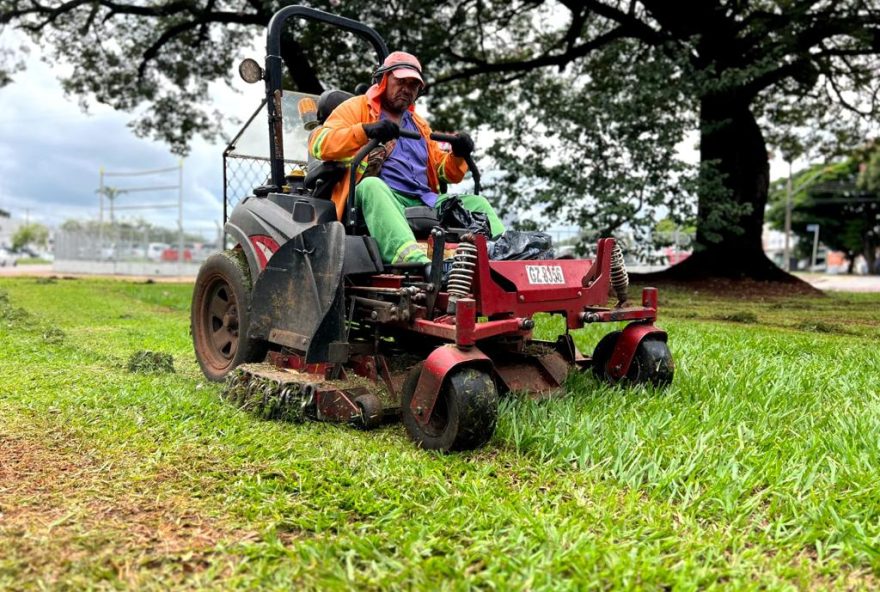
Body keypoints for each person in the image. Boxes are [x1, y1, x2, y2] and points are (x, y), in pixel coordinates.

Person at [308, 51, 505, 265]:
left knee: (477, 203)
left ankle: (508, 255)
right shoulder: (356, 108)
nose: (406, 89)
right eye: (401, 81)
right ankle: (414, 262)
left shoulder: (419, 125)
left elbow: (446, 172)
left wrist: (458, 154)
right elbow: (319, 144)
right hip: (382, 197)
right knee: (371, 185)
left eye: (413, 85)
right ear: (384, 80)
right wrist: (365, 130)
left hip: (424, 199)